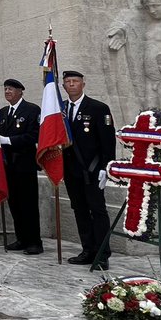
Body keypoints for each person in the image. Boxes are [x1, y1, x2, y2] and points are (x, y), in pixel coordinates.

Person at [61, 70, 116, 269]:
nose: (71, 84)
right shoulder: (61, 109)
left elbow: (108, 141)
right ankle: (87, 249)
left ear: (83, 84)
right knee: (80, 210)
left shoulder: (98, 108)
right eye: (68, 82)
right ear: (63, 86)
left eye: (75, 81)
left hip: (93, 171)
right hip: (71, 171)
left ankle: (102, 253)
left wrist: (106, 167)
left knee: (98, 210)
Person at [0, 79, 42, 254]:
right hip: (8, 165)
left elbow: (34, 135)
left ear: (20, 92)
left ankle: (34, 242)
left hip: (25, 164)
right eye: (6, 89)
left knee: (28, 204)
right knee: (14, 203)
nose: (7, 91)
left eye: (11, 89)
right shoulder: (2, 112)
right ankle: (21, 238)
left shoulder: (31, 110)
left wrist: (8, 140)